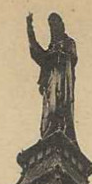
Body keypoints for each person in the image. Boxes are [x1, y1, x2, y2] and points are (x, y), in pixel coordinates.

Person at [26, 12, 78, 142]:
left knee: (59, 104)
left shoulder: (69, 43)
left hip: (62, 79)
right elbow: (38, 53)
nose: (53, 28)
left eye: (55, 24)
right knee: (50, 107)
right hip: (51, 82)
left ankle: (61, 126)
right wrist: (30, 30)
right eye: (51, 25)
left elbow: (72, 58)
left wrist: (58, 56)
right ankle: (51, 127)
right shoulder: (50, 50)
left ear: (61, 25)